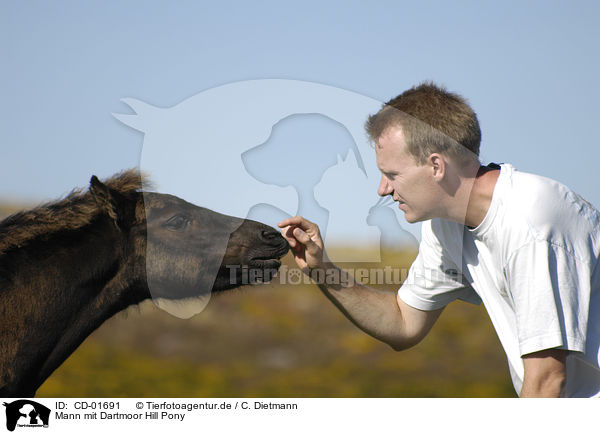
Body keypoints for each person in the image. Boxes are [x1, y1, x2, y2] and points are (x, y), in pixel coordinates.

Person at [278, 82, 600, 398]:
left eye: (392, 175)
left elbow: (547, 381)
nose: (383, 189)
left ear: (436, 166)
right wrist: (323, 269)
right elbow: (404, 324)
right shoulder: (445, 222)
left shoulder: (531, 222)